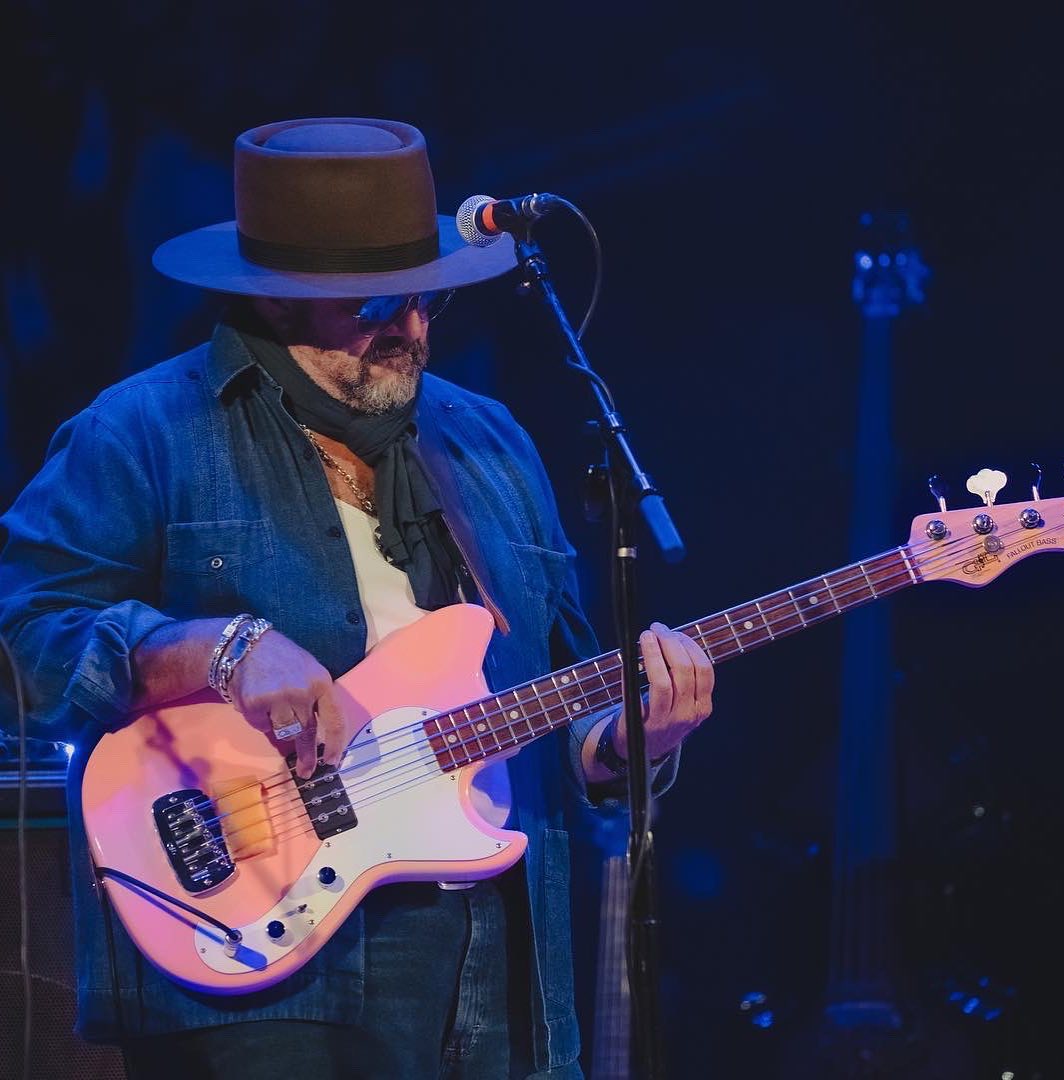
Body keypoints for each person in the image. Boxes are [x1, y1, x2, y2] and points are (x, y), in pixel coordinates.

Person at [0, 117, 713, 1079]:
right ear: (283, 302)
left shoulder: (490, 443)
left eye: (425, 303)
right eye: (376, 308)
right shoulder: (143, 430)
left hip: (499, 948)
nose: (412, 332)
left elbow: (559, 684)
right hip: (265, 947)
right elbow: (25, 630)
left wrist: (633, 737)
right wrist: (220, 648)